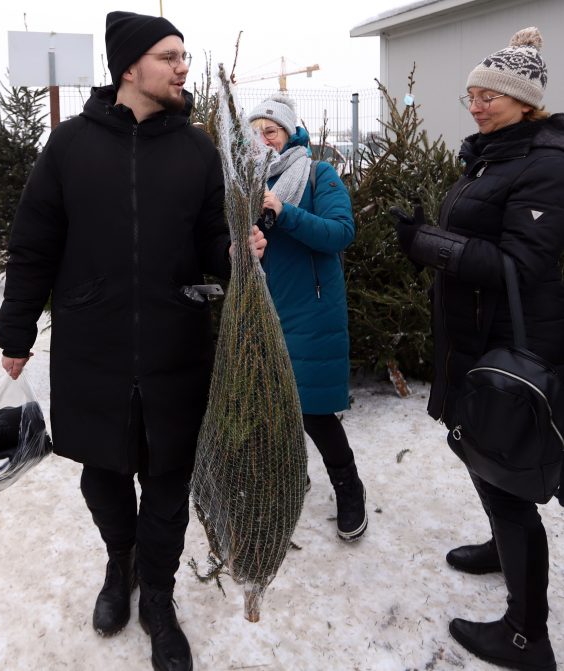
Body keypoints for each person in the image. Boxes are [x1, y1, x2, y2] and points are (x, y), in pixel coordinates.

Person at [0, 11, 264, 671]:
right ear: (129, 67)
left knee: (168, 479)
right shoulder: (69, 146)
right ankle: (122, 563)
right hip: (94, 342)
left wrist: (235, 249)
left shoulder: (197, 150)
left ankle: (160, 599)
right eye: (170, 57)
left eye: (184, 57)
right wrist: (16, 329)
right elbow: (34, 245)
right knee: (103, 475)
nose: (182, 68)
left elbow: (209, 239)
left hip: (177, 342)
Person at [392, 27, 563, 671]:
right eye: (472, 91)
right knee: (483, 460)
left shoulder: (546, 163)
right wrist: (432, 237)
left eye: (491, 92)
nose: (477, 102)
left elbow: (521, 262)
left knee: (510, 482)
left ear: (526, 100)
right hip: (475, 335)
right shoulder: (493, 156)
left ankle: (526, 635)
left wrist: (426, 243)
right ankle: (500, 544)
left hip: (513, 341)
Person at [246, 96, 367, 542]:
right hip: (265, 307)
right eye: (256, 133)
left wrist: (284, 211)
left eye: (271, 131)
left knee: (314, 410)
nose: (264, 140)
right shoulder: (248, 183)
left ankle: (349, 487)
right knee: (273, 406)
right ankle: (291, 479)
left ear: (291, 132)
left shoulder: (319, 174)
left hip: (313, 309)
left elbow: (340, 233)